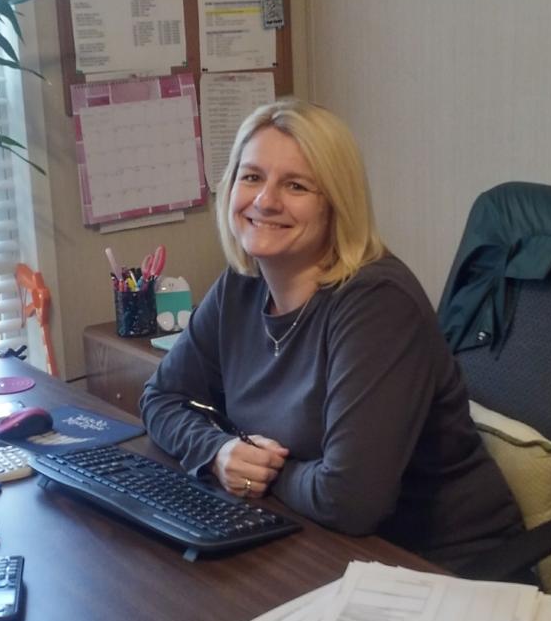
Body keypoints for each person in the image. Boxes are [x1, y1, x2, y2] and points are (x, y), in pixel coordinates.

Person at [140, 99, 523, 573]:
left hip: (439, 567)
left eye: (296, 185)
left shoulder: (377, 304)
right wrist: (219, 453)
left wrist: (263, 471)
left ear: (336, 204)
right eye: (252, 176)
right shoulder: (241, 285)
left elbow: (351, 500)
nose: (265, 201)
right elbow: (160, 398)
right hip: (320, 545)